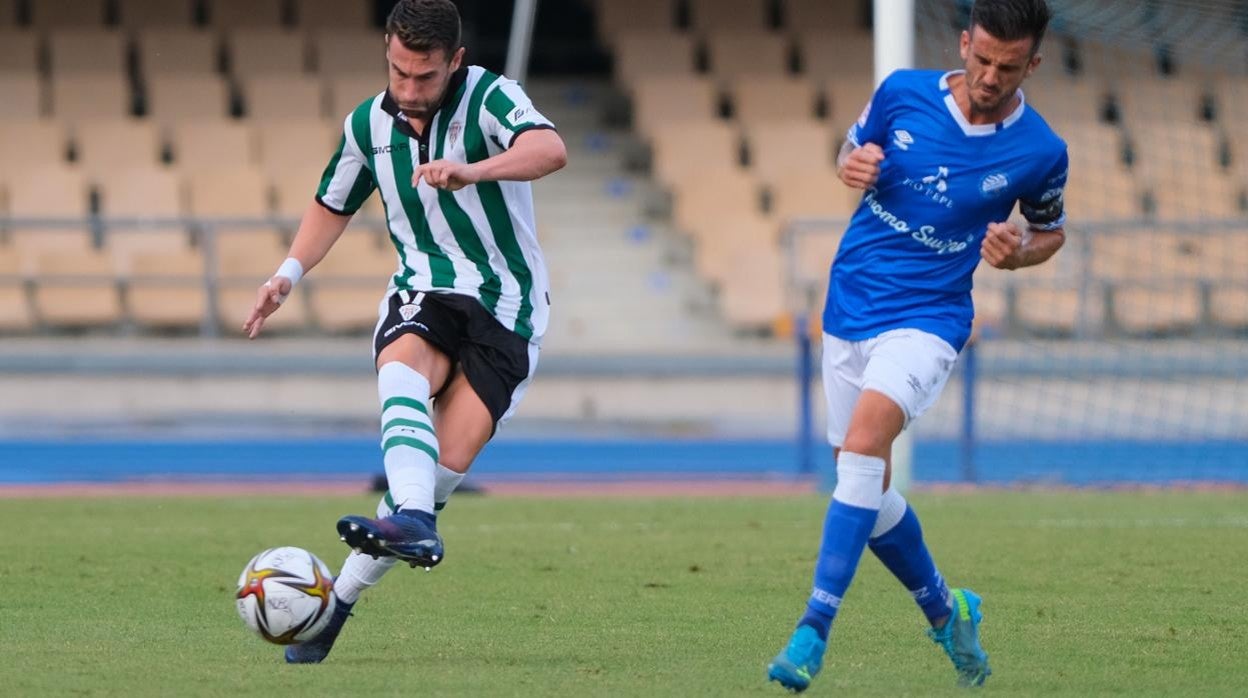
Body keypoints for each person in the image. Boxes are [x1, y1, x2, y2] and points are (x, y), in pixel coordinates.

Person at [241, 0, 567, 663]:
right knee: (403, 364)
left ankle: (335, 609)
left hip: (510, 311)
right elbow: (332, 203)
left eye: (425, 77)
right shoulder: (367, 123)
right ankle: (412, 523)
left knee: (437, 476)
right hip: (426, 289)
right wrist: (287, 274)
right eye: (398, 73)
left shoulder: (491, 99)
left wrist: (472, 170)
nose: (410, 90)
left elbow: (549, 149)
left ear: (456, 62)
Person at [766, 0, 1067, 691]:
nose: (991, 77)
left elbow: (1050, 230)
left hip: (930, 316)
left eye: (1009, 66)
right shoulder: (902, 92)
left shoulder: (1042, 151)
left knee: (866, 446)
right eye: (983, 58)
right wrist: (852, 165)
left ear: (1034, 64)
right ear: (963, 43)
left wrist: (1020, 252)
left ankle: (813, 629)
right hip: (850, 303)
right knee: (862, 482)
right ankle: (945, 607)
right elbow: (852, 147)